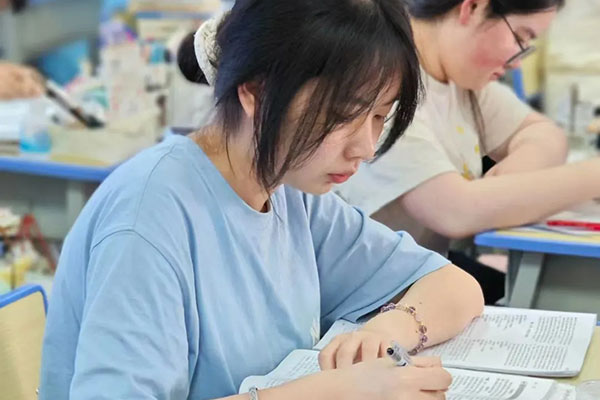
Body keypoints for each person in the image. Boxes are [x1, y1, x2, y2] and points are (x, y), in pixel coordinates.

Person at [40, 1, 484, 399]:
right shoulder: (148, 219)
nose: (365, 148)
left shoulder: (290, 192)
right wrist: (328, 393)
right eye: (343, 115)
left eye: (379, 116)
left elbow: (454, 286)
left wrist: (390, 330)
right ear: (255, 91)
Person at [328, 0, 600, 304]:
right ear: (471, 8)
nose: (517, 63)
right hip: (368, 295)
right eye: (520, 37)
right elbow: (456, 212)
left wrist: (511, 179)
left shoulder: (457, 79)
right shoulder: (388, 84)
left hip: (421, 276)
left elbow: (545, 133)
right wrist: (593, 177)